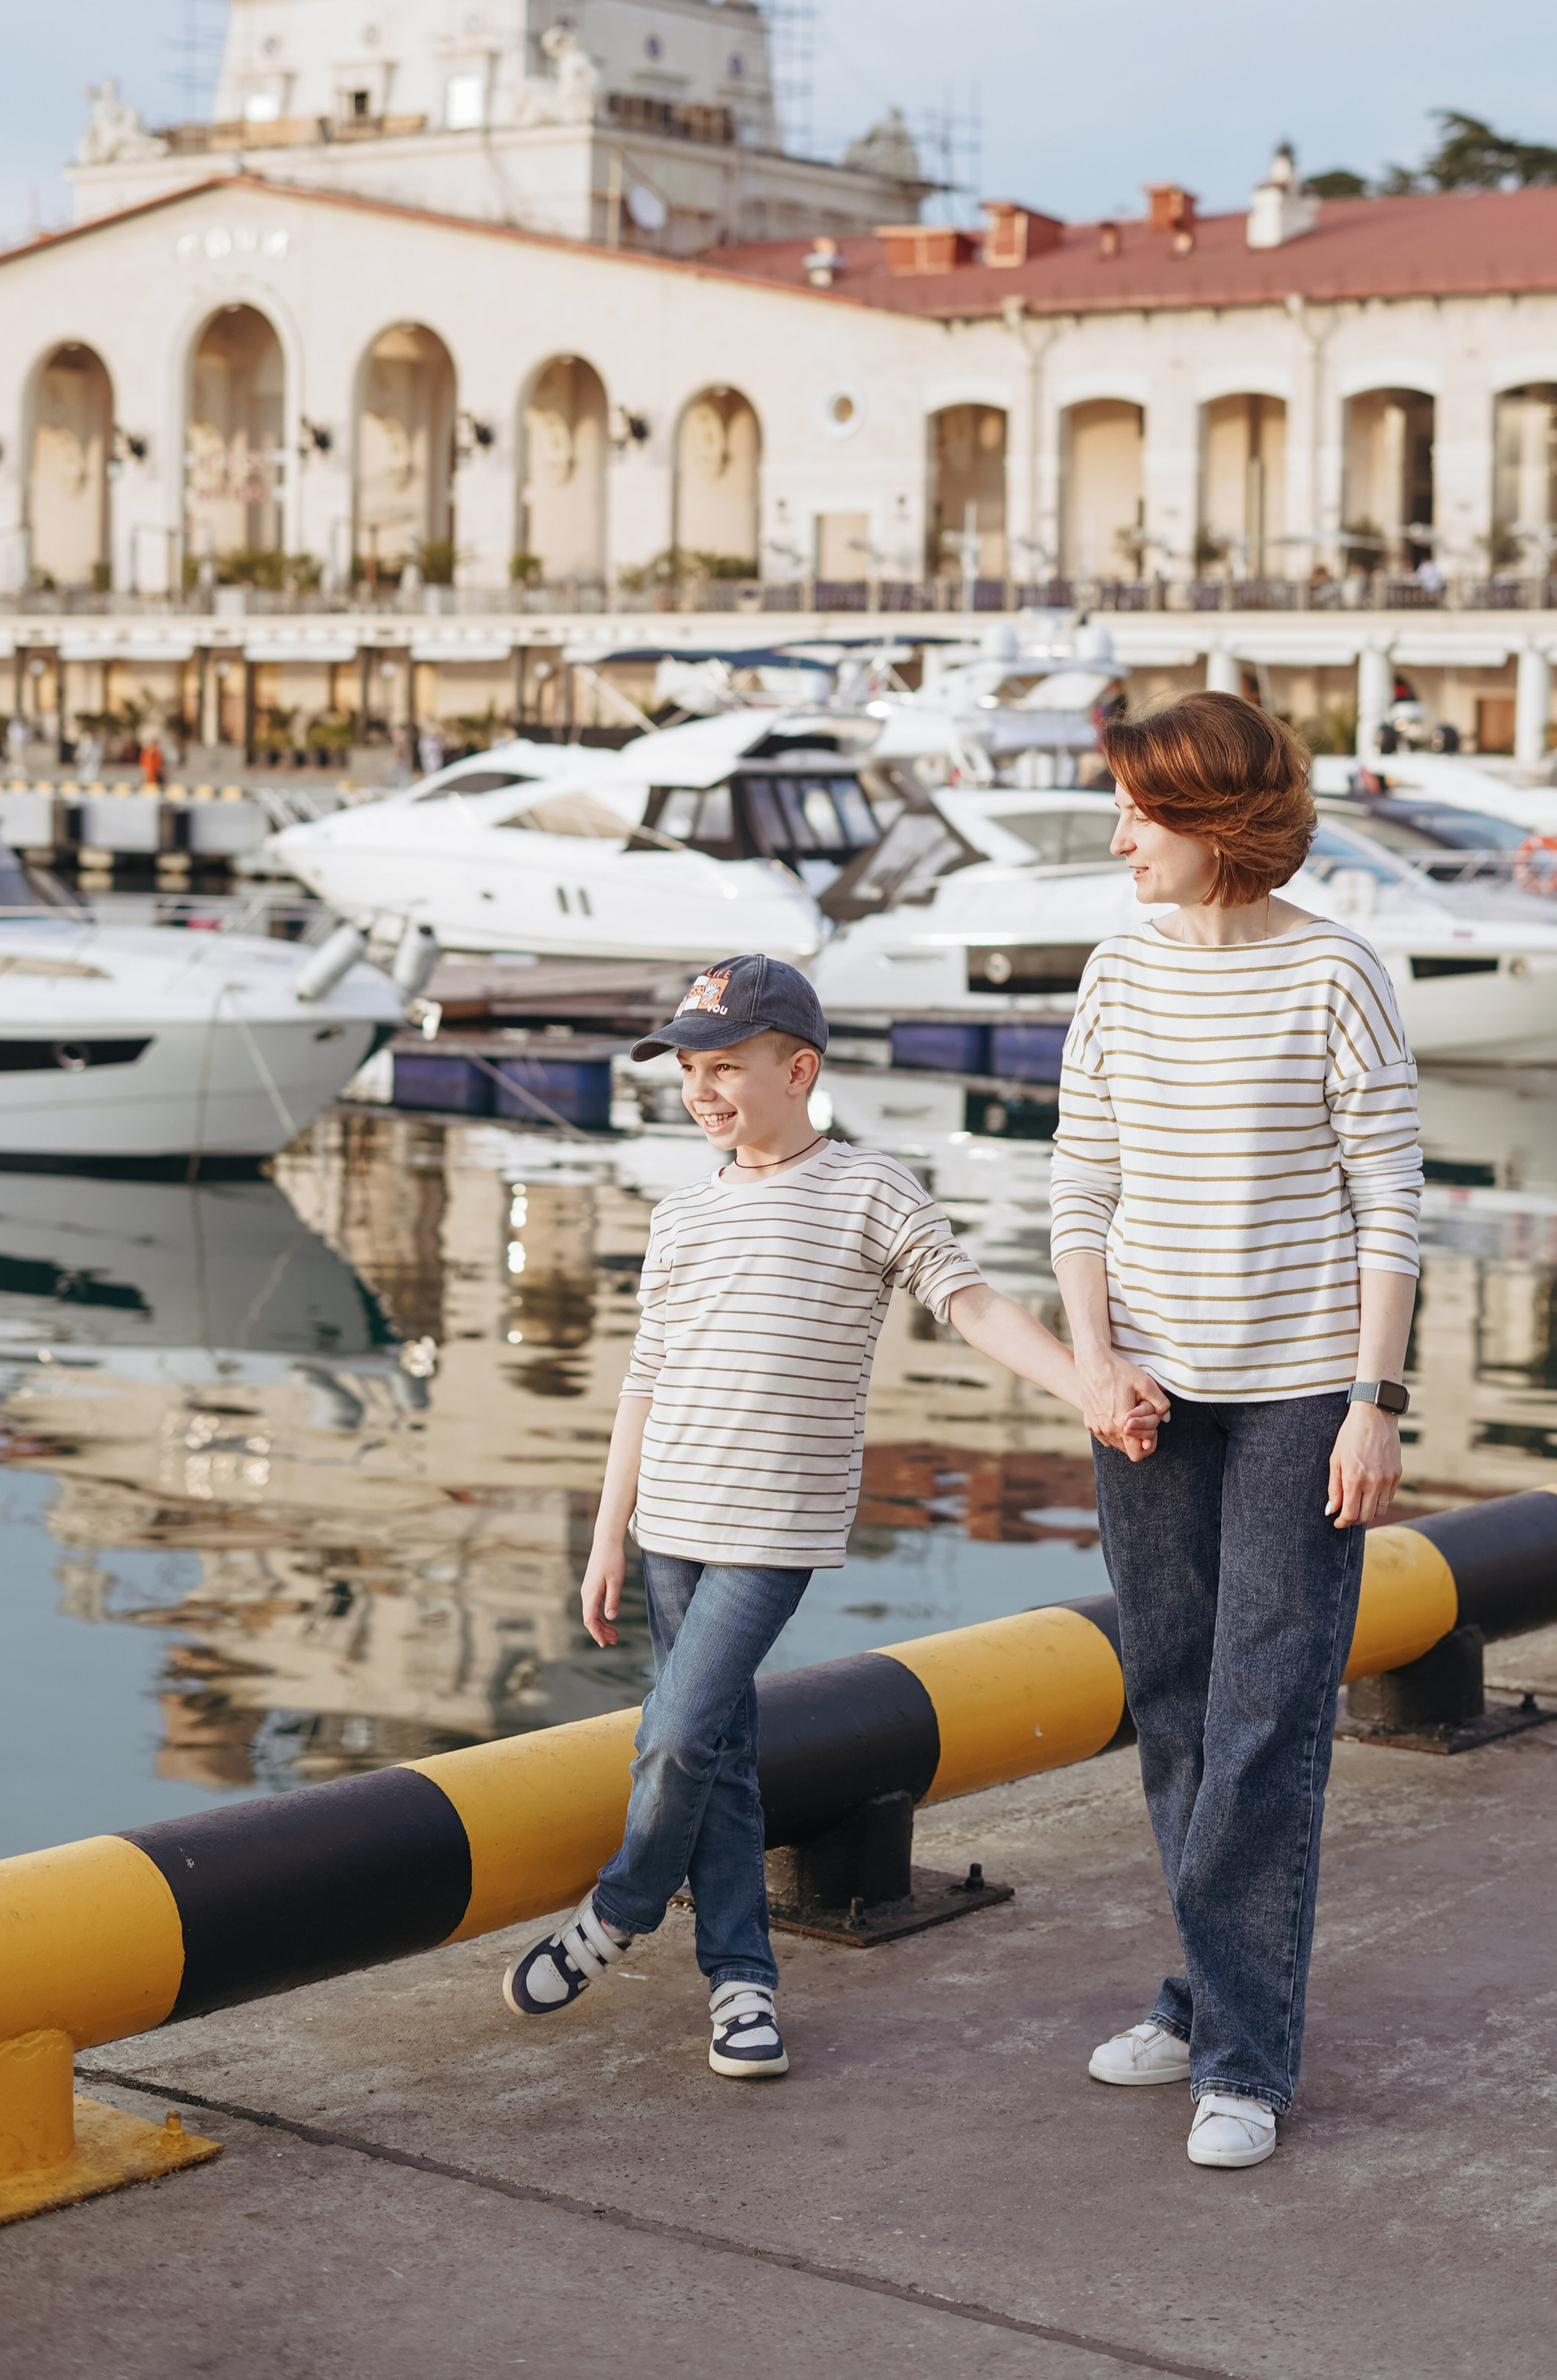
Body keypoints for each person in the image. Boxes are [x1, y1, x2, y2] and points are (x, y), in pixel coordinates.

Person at [501, 953, 1163, 2078]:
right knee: (717, 1749)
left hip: (774, 1528)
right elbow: (644, 1380)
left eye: (725, 1066)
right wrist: (609, 1531)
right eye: (687, 1072)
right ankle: (743, 1987)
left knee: (672, 1735)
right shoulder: (683, 1215)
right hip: (671, 1517)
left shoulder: (869, 1189)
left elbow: (972, 1303)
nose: (702, 1090)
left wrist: (1087, 1385)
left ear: (797, 1067)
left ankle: (622, 1905)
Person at [1053, 690, 1421, 2173]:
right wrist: (1092, 1361)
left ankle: (1245, 2060)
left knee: (1267, 1716)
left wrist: (1374, 1404)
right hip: (1145, 1393)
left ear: (1221, 826)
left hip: (1298, 1401)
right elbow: (1081, 1185)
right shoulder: (1117, 971)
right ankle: (1208, 1992)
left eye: (1143, 811)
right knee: (1172, 1698)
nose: (1120, 833)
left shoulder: (1337, 972)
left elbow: (1391, 1202)